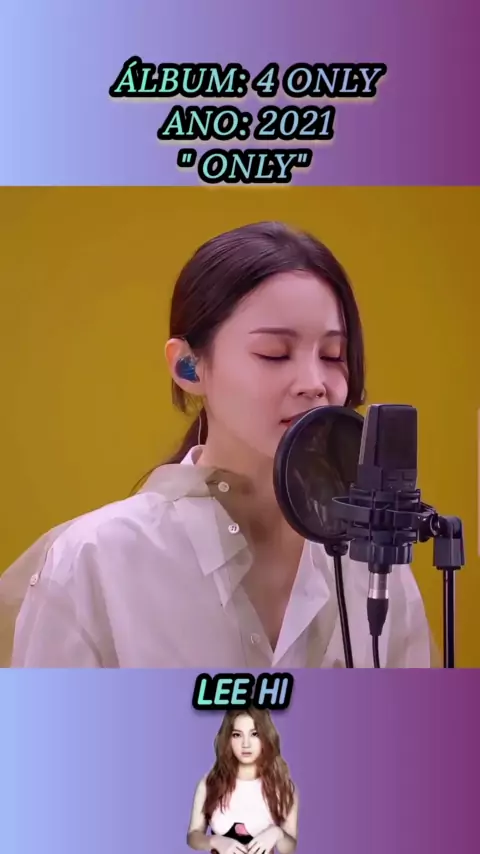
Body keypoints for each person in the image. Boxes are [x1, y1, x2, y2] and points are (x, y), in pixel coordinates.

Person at [0, 221, 436, 667]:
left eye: (332, 356)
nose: (314, 383)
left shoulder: (376, 564)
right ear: (189, 367)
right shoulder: (93, 563)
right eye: (274, 353)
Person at [187, 707, 298, 854]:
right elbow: (193, 836)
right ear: (228, 739)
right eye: (237, 735)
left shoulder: (282, 786)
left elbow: (289, 848)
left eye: (254, 734)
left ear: (266, 737)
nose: (246, 744)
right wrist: (215, 841)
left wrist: (277, 833)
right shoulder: (209, 783)